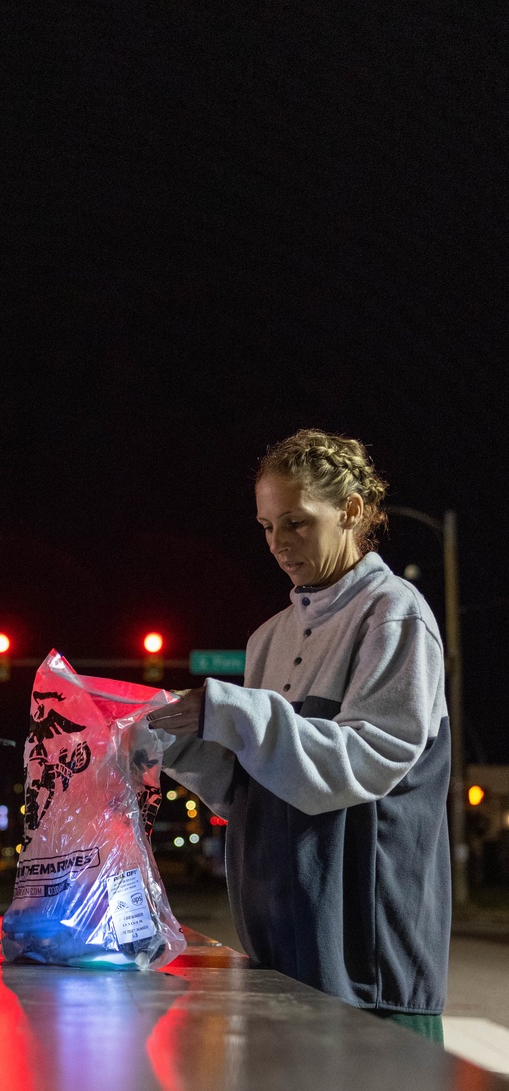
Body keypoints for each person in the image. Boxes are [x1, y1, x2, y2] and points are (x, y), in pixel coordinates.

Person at [149, 429, 450, 1041]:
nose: (279, 544)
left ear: (352, 512)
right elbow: (248, 791)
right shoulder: (268, 637)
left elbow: (366, 762)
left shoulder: (394, 614)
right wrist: (171, 739)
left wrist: (231, 713)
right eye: (265, 526)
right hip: (279, 944)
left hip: (370, 963)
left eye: (296, 523)